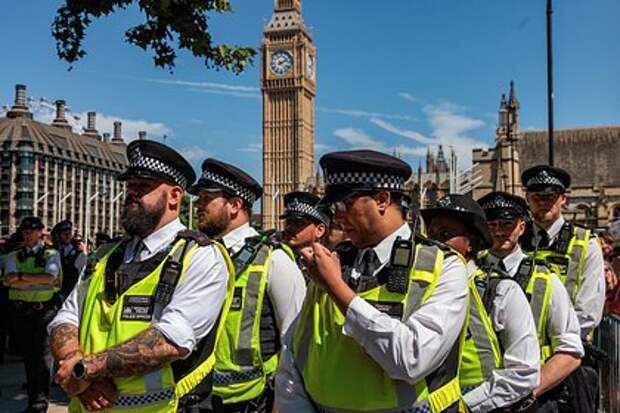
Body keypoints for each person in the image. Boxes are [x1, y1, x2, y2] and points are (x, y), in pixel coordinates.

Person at [48, 140, 234, 413]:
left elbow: (171, 340)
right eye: (129, 186)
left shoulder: (201, 257)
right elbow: (65, 319)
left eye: (144, 187)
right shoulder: (103, 255)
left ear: (174, 196)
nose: (132, 194)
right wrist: (79, 373)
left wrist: (83, 371)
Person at [276, 149, 469, 412]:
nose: (337, 217)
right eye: (334, 208)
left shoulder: (444, 266)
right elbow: (293, 356)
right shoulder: (333, 261)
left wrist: (336, 288)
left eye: (345, 205)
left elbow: (412, 359)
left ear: (381, 200)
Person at [189, 158, 306, 412]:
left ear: (235, 205)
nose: (197, 204)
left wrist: (282, 404)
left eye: (206, 198)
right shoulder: (198, 256)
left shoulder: (274, 260)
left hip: (253, 401)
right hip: (197, 399)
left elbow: (296, 341)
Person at [421, 194, 540, 412]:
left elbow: (524, 372)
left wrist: (466, 406)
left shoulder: (501, 291)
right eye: (431, 234)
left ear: (471, 244)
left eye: (446, 234)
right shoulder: (418, 289)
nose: (434, 243)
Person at [477, 191, 585, 413]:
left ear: (521, 227)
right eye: (492, 225)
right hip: (479, 398)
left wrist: (526, 395)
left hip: (535, 399)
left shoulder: (545, 279)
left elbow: (571, 351)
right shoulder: (467, 273)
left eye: (507, 224)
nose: (499, 232)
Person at [520, 165, 605, 340]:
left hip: (567, 347)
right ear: (527, 199)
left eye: (550, 197)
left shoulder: (586, 243)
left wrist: (560, 346)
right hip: (520, 346)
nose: (542, 202)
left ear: (563, 199)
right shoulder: (516, 240)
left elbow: (588, 312)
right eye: (536, 197)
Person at [3, 216, 62, 412]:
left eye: (31, 232)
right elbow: (8, 279)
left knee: (43, 358)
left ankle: (40, 403)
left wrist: (20, 277)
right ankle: (32, 401)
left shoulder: (51, 254)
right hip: (21, 311)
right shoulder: (13, 256)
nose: (27, 235)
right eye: (25, 232)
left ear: (40, 233)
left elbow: (50, 278)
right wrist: (36, 278)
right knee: (29, 357)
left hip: (44, 310)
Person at [52, 220, 88, 300]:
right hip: (53, 297)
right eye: (64, 233)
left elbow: (83, 277)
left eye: (69, 233)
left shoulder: (79, 255)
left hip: (70, 297)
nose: (67, 236)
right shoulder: (52, 253)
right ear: (57, 235)